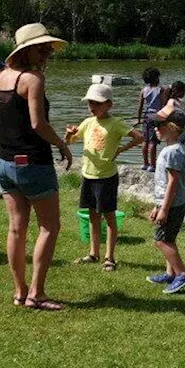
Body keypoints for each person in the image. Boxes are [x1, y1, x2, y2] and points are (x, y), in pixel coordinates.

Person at [0, 23, 72, 311]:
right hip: (33, 164)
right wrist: (61, 143)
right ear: (27, 50)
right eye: (42, 47)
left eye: (48, 47)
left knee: (16, 229)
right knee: (49, 226)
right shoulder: (32, 79)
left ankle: (20, 292)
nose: (48, 51)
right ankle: (37, 293)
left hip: (4, 165)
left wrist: (1, 151)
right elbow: (38, 124)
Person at [64, 83, 143, 272]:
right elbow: (69, 142)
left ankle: (110, 257)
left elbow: (139, 137)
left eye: (97, 103)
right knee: (92, 215)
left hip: (106, 176)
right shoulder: (87, 122)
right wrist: (68, 135)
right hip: (88, 174)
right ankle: (93, 253)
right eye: (90, 103)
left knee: (109, 217)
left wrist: (120, 150)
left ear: (108, 105)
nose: (92, 107)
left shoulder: (116, 123)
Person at [145, 111, 185, 294]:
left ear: (172, 128)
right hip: (168, 203)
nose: (155, 129)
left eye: (159, 126)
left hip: (172, 205)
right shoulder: (170, 148)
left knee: (161, 240)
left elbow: (172, 183)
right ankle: (170, 273)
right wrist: (157, 205)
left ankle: (182, 274)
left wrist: (164, 209)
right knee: (169, 238)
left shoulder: (174, 152)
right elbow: (164, 183)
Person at [137, 67, 164, 172]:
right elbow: (163, 104)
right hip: (156, 117)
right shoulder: (160, 90)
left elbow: (140, 106)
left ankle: (145, 163)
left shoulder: (144, 90)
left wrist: (139, 119)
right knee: (153, 142)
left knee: (145, 140)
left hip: (146, 116)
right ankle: (153, 165)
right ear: (157, 78)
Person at [154, 80, 185, 145]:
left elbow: (183, 114)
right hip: (176, 129)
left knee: (181, 146)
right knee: (175, 145)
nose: (184, 94)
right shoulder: (171, 101)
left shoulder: (181, 101)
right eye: (183, 91)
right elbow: (163, 115)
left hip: (184, 128)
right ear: (176, 91)